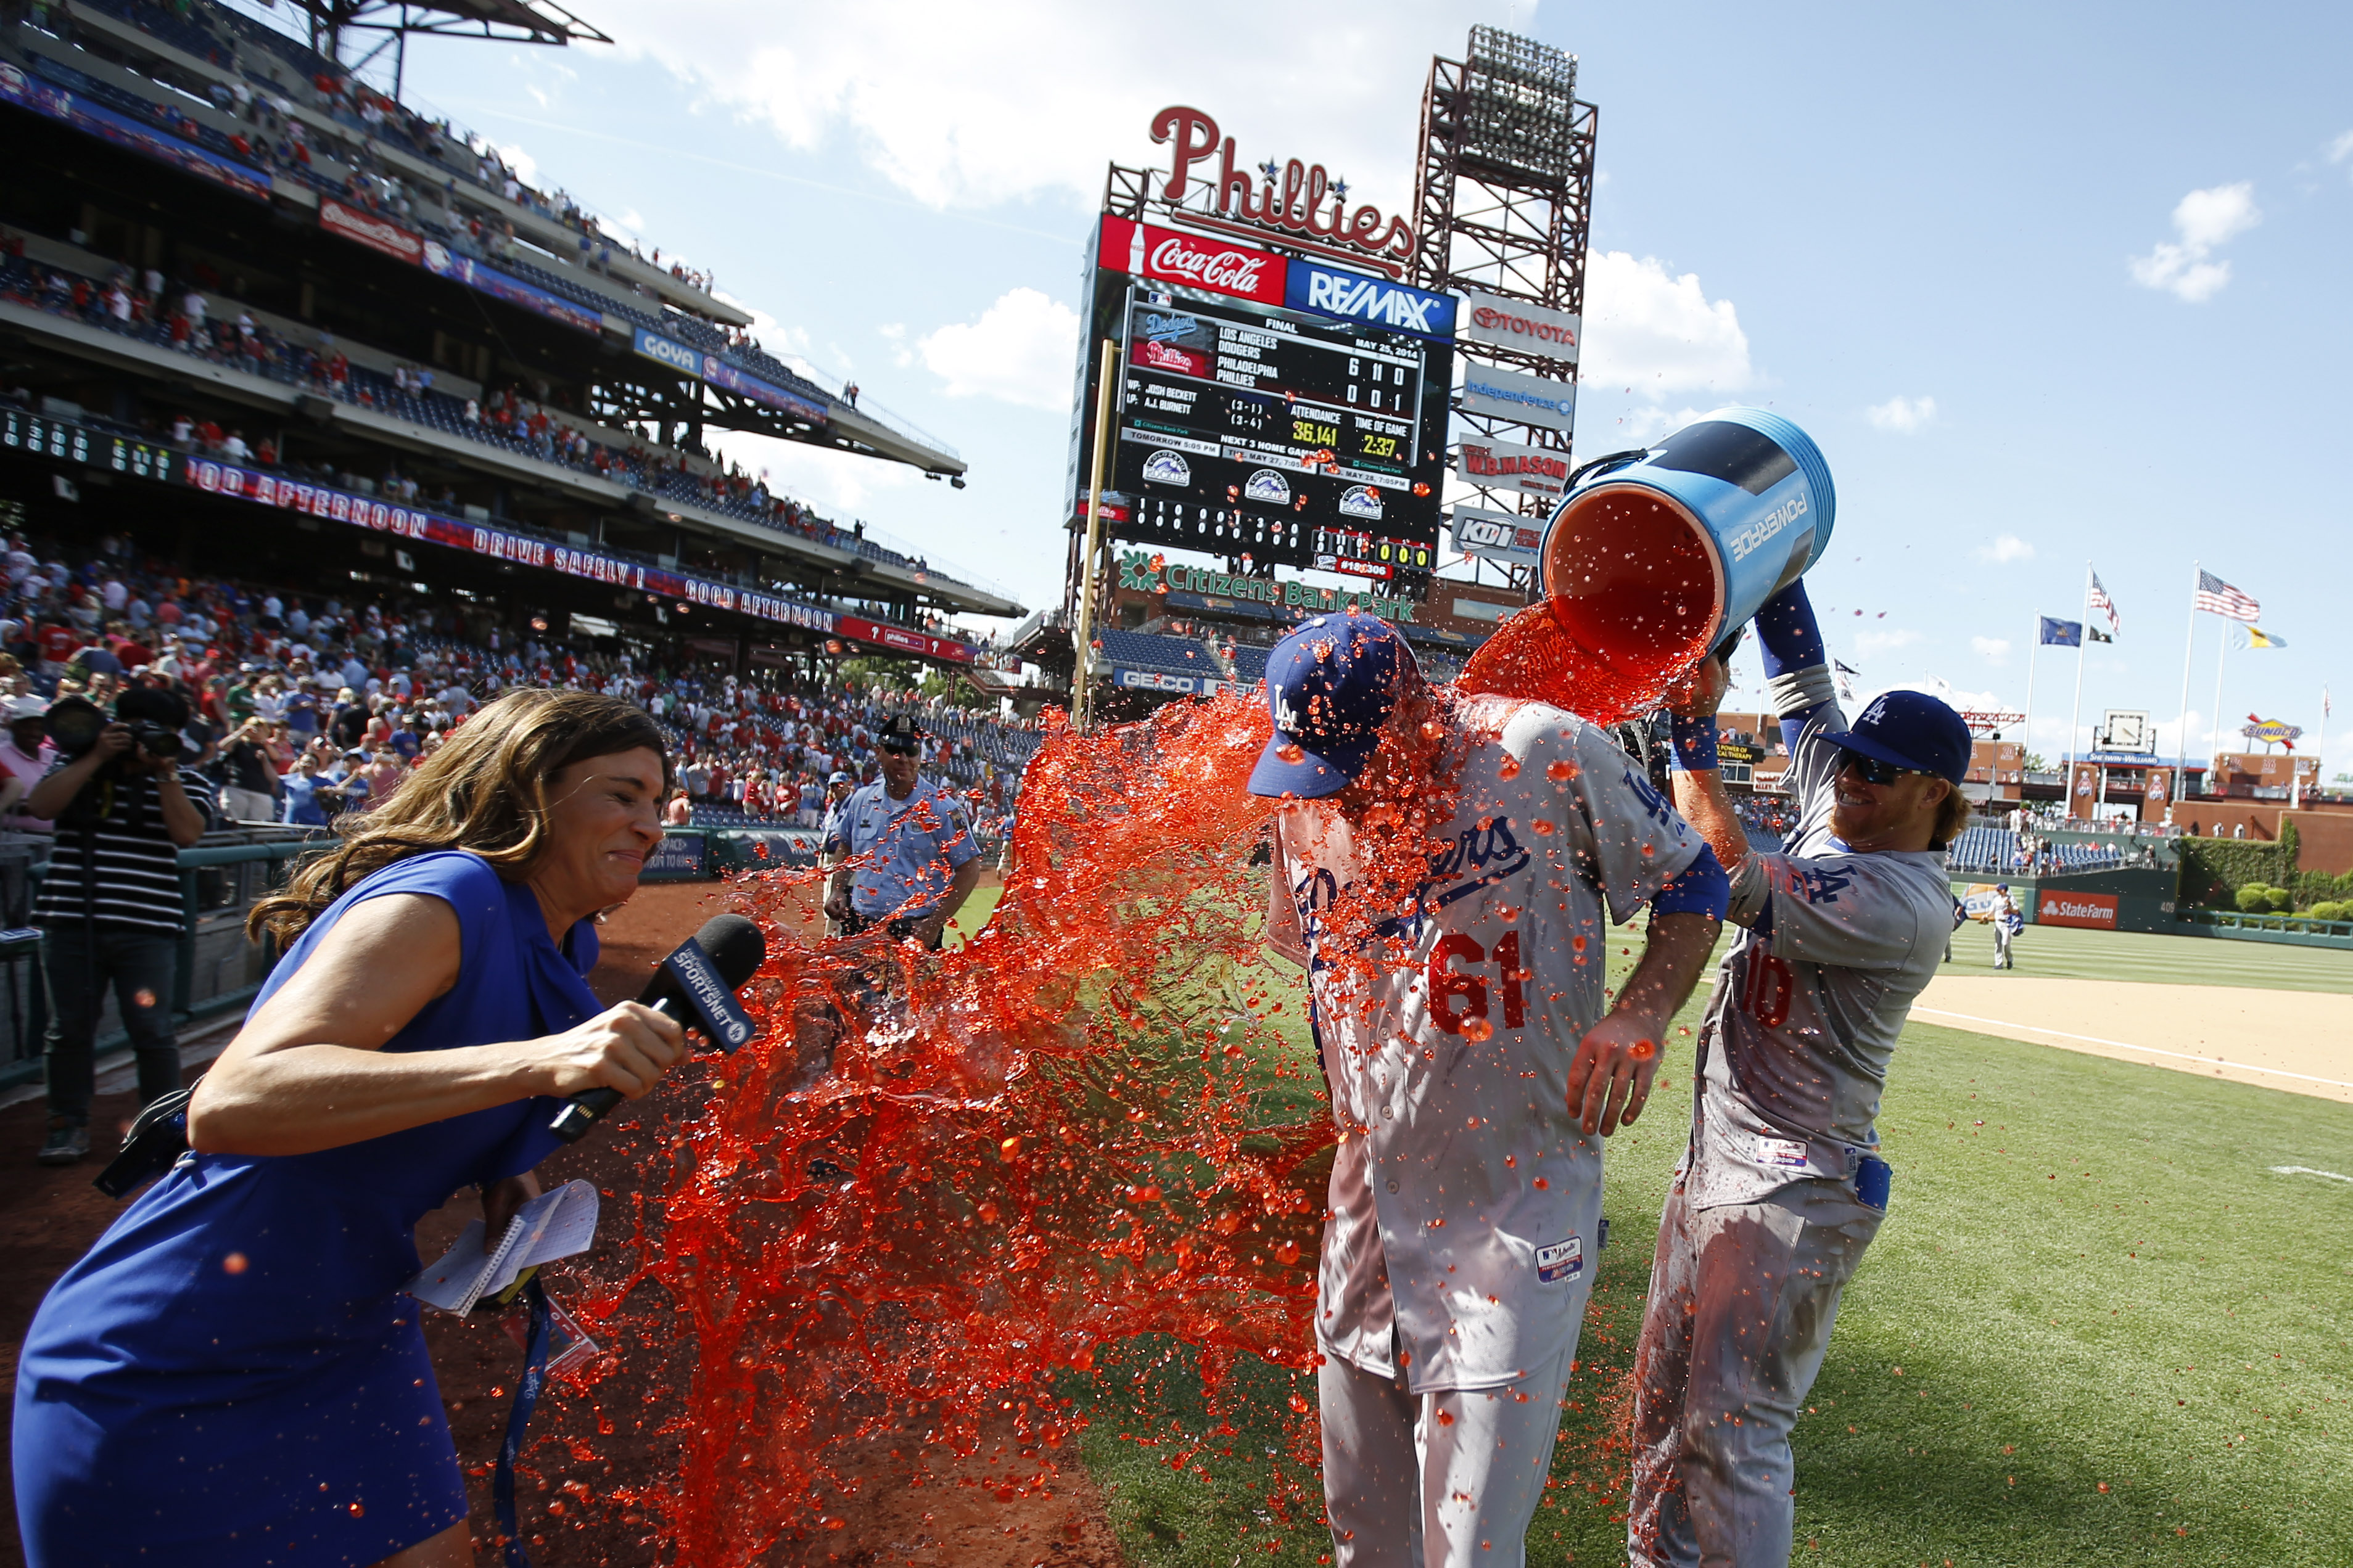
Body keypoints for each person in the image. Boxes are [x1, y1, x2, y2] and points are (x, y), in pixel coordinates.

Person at [14, 690, 686, 1567]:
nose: (649, 822)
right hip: (178, 1348)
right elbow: (235, 1100)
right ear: (532, 789)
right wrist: (536, 1062)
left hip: (350, 1331)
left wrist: (505, 1189)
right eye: (622, 793)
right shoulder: (448, 896)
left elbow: (431, 1087)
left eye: (656, 799)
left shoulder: (566, 946)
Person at [1247, 614, 1727, 1568]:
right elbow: (1320, 974)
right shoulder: (1300, 792)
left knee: (1465, 1549)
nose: (1337, 793)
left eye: (1357, 764)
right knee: (1367, 1539)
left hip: (1513, 1205)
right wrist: (1334, 1120)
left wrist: (1640, 1012)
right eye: (1318, 770)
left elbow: (1694, 878)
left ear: (1416, 716)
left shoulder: (1539, 746)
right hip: (1366, 1212)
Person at [1628, 581, 1972, 1568]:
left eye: (1882, 771)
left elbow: (1722, 872)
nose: (1854, 775)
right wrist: (1767, 557)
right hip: (1717, 1166)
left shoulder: (1900, 898)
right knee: (1658, 1416)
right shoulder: (1841, 795)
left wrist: (1690, 732)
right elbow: (1798, 669)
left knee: (1729, 1433)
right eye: (1856, 757)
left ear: (1933, 794)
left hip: (1793, 1187)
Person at [25, 688, 216, 1165]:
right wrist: (94, 757)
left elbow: (187, 833)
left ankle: (160, 1130)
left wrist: (165, 770)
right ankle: (65, 1124)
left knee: (152, 1030)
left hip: (147, 925)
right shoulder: (78, 765)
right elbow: (41, 806)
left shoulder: (185, 778)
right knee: (68, 1030)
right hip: (72, 920)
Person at [823, 718, 978, 950]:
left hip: (914, 931)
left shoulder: (942, 808)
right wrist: (838, 889)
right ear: (879, 752)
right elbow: (846, 845)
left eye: (911, 751)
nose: (903, 758)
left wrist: (934, 924)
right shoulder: (862, 800)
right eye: (895, 750)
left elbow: (969, 869)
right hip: (860, 925)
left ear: (920, 756)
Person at [1993, 882, 2021, 969]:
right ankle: (1999, 964)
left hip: (2007, 924)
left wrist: (2009, 905)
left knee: (2005, 944)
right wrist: (1986, 916)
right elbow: (1991, 910)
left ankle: (2010, 960)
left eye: (1999, 889)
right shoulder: (1996, 899)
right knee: (1998, 945)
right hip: (1997, 922)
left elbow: (2016, 911)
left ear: (2004, 890)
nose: (1997, 891)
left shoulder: (2011, 899)